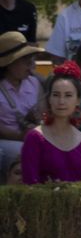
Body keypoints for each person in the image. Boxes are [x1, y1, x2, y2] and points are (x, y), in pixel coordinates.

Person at [20, 64, 81, 184]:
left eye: (68, 95)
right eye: (56, 95)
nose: (61, 101)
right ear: (49, 99)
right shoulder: (35, 138)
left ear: (78, 100)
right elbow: (29, 183)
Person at [0, 29, 45, 180]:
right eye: (26, 62)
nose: (31, 65)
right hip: (8, 141)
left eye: (31, 60)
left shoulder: (34, 83)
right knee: (25, 150)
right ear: (10, 64)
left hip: (34, 136)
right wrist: (20, 135)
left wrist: (37, 119)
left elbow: (45, 114)